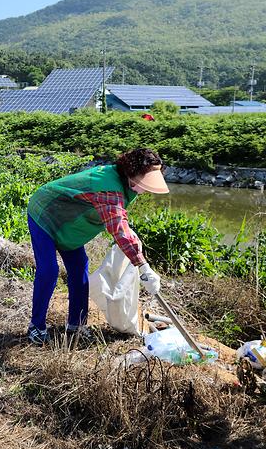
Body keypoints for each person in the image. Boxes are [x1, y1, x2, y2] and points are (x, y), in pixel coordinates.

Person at [25, 148, 169, 345]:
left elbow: (120, 219)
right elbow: (118, 227)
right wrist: (143, 266)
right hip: (45, 214)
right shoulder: (108, 187)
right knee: (49, 270)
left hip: (68, 222)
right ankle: (36, 326)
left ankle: (76, 325)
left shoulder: (126, 182)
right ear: (132, 172)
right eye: (145, 181)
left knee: (79, 268)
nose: (146, 189)